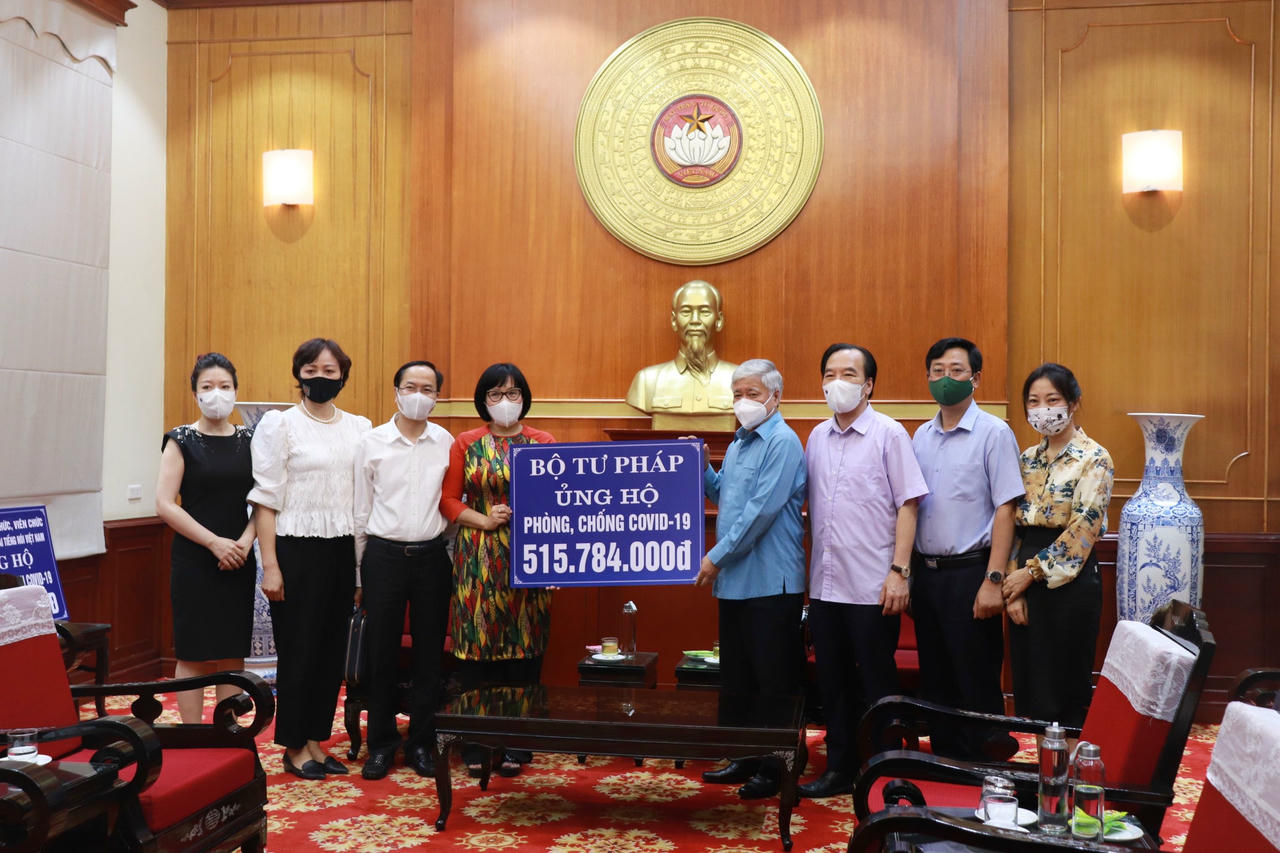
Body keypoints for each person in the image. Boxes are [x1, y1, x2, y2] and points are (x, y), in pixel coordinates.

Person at [800, 344, 928, 798]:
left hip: (874, 585)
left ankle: (885, 770)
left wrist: (899, 571)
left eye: (849, 374)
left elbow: (909, 504)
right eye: (830, 373)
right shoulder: (816, 437)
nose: (838, 382)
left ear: (869, 384)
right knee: (832, 683)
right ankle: (838, 768)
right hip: (825, 585)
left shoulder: (889, 434)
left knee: (877, 684)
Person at [249, 338, 371, 780]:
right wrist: (271, 565)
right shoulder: (280, 425)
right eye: (312, 370)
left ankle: (317, 740)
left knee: (329, 653)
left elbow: (362, 502)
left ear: (343, 376)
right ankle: (294, 745)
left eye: (330, 371)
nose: (320, 377)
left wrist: (359, 570)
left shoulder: (360, 428)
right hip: (295, 549)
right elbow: (265, 500)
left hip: (341, 549)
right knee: (298, 651)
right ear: (298, 374)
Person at [695, 358, 807, 800]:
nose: (743, 402)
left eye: (752, 394)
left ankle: (775, 767)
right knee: (738, 678)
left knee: (773, 682)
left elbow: (760, 513)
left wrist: (715, 557)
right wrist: (701, 465)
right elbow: (724, 494)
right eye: (737, 394)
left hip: (771, 583)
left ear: (775, 397)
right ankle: (742, 755)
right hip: (736, 582)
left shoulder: (783, 442)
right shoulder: (740, 441)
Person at [911, 337, 1024, 759]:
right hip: (928, 574)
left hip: (972, 573)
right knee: (936, 679)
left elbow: (1006, 508)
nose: (946, 378)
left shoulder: (994, 433)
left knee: (974, 675)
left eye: (956, 370)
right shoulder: (920, 436)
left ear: (975, 378)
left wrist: (994, 579)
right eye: (937, 371)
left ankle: (984, 768)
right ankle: (945, 766)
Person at [440, 363, 554, 778]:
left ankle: (517, 744)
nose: (504, 401)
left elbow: (557, 498)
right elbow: (449, 500)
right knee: (477, 652)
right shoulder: (466, 443)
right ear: (483, 400)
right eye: (495, 394)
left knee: (524, 650)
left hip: (529, 558)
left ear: (524, 397)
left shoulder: (542, 441)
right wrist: (485, 519)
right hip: (478, 556)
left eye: (512, 393)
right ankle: (476, 742)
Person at [353, 360, 453, 780]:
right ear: (396, 392)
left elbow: (451, 503)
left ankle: (421, 745)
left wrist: (448, 555)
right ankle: (380, 745)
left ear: (436, 397)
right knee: (381, 655)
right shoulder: (371, 442)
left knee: (429, 656)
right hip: (383, 556)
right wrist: (359, 574)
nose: (418, 395)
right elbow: (360, 510)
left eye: (427, 389)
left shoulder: (446, 441)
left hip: (432, 557)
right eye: (410, 387)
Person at [1002, 363, 1114, 727]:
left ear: (1073, 402)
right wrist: (1013, 589)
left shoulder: (1095, 457)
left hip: (1070, 580)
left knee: (1066, 687)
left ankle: (1065, 763)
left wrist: (1029, 574)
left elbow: (1084, 528)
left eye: (1052, 400)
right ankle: (1044, 763)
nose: (1043, 409)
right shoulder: (1026, 459)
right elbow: (1012, 524)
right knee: (1034, 688)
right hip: (1024, 577)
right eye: (1034, 401)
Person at [155, 353, 257, 724]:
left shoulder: (251, 439)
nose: (217, 393)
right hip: (195, 558)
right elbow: (165, 504)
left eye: (224, 386)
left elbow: (266, 501)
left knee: (231, 650)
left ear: (236, 391)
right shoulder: (180, 439)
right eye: (208, 386)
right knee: (193, 651)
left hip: (239, 556)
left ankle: (227, 730)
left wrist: (245, 542)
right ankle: (192, 733)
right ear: (195, 393)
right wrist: (214, 542)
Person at [625, 280, 739, 416]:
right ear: (674, 321)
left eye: (704, 312)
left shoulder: (741, 379)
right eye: (686, 312)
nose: (695, 320)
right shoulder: (646, 381)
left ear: (719, 321)